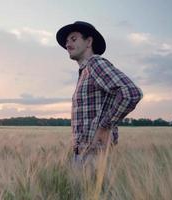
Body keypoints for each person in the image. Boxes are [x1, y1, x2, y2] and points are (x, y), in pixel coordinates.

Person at [56, 21, 143, 164]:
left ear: (88, 41)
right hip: (83, 153)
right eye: (66, 41)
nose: (67, 44)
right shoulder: (85, 71)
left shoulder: (95, 64)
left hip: (94, 155)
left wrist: (104, 127)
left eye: (73, 39)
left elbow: (131, 93)